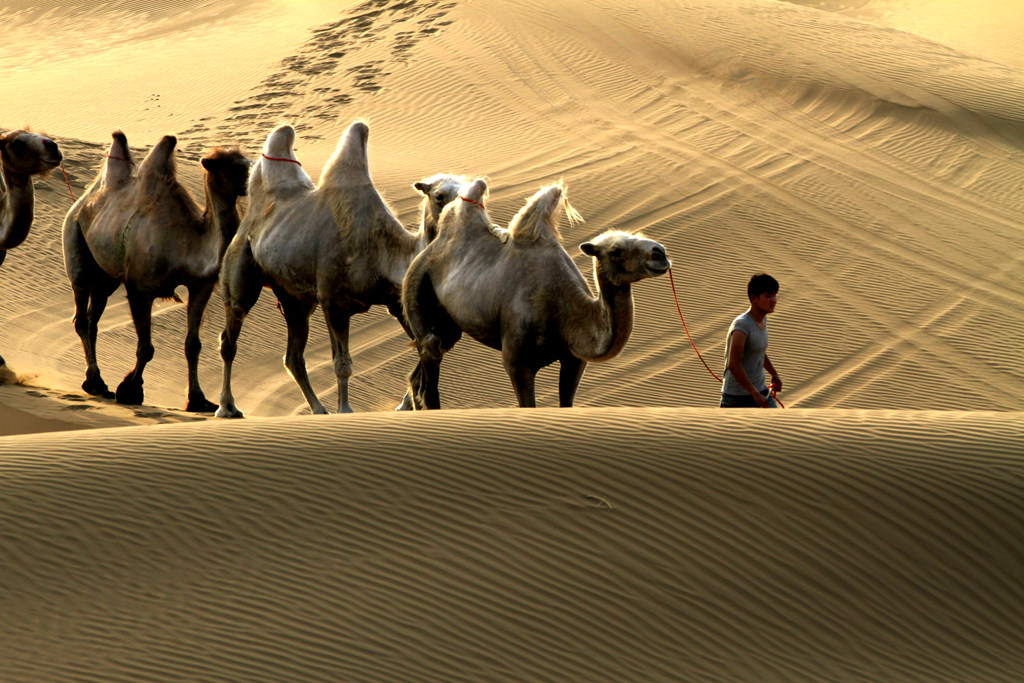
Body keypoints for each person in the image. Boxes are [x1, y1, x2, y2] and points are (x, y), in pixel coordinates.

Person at [720, 273, 782, 408]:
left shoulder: (762, 319)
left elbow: (758, 350)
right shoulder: (742, 325)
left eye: (774, 295)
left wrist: (774, 373)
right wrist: (755, 394)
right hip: (737, 398)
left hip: (761, 391)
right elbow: (733, 364)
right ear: (754, 298)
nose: (774, 300)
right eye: (768, 296)